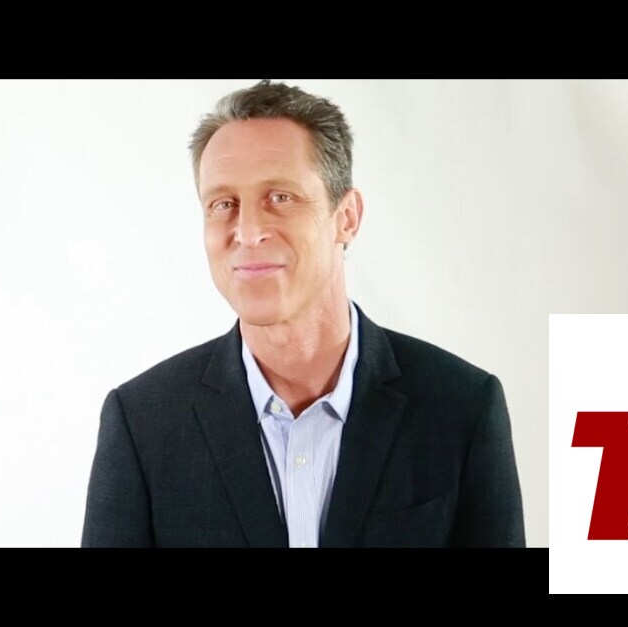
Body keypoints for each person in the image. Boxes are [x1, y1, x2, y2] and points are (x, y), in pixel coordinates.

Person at [81, 80, 525, 548]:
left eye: (280, 197)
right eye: (223, 204)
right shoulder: (142, 424)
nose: (248, 231)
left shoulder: (461, 407)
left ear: (346, 217)